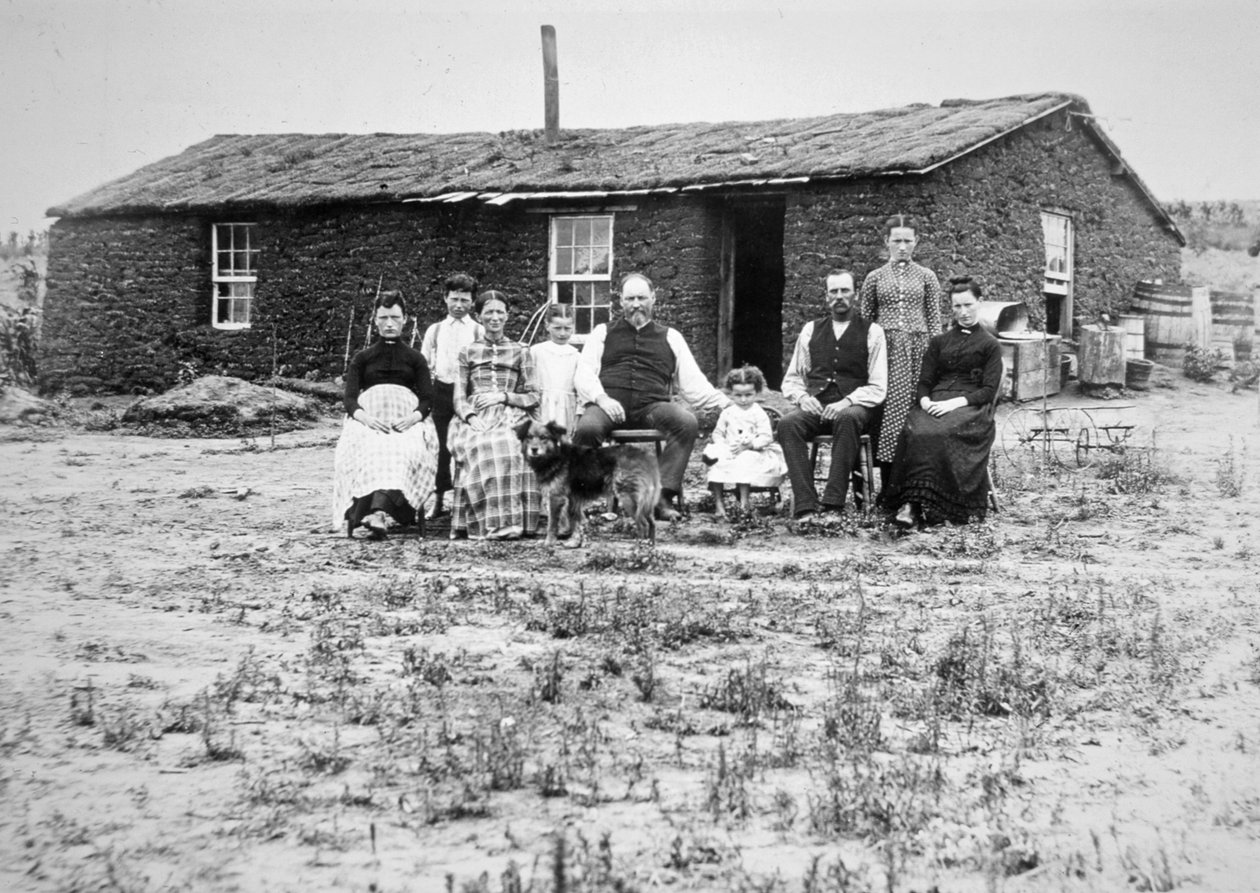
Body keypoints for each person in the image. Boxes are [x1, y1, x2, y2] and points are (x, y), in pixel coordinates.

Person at [572, 272, 730, 520]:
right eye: (630, 298)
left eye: (642, 297)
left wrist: (725, 403)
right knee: (587, 429)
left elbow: (693, 384)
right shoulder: (602, 332)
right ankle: (579, 502)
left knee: (686, 423)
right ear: (621, 301)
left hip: (651, 407)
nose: (636, 304)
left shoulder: (671, 337)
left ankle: (662, 498)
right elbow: (584, 374)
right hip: (608, 404)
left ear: (653, 298)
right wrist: (602, 399)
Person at [881, 276, 1003, 528]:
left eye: (968, 305)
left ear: (980, 302)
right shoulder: (939, 342)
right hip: (935, 402)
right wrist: (924, 400)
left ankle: (936, 505)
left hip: (971, 408)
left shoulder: (990, 345)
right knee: (914, 428)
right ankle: (910, 502)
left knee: (941, 431)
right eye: (957, 306)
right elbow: (925, 380)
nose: (964, 312)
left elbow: (989, 390)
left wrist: (955, 403)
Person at [778, 269, 888, 519]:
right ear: (826, 296)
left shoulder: (872, 332)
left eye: (845, 290)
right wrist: (804, 398)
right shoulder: (811, 330)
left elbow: (878, 386)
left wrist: (848, 401)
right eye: (834, 291)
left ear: (855, 294)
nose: (840, 296)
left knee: (847, 418)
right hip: (817, 405)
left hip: (856, 405)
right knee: (787, 424)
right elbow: (792, 379)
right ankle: (806, 505)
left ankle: (833, 506)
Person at [332, 291, 439, 539]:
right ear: (375, 320)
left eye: (395, 317)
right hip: (369, 420)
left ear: (405, 320)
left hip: (406, 421)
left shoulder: (415, 358)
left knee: (405, 450)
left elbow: (427, 398)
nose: (389, 323)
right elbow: (349, 398)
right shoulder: (362, 358)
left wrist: (413, 418)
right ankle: (375, 512)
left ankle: (377, 512)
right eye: (383, 317)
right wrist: (365, 417)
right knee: (367, 448)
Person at [447, 290, 541, 540]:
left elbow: (534, 396)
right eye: (489, 312)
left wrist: (504, 397)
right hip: (477, 414)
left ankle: (511, 523)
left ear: (507, 315)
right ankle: (488, 524)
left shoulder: (521, 350)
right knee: (482, 444)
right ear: (478, 316)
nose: (495, 317)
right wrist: (469, 417)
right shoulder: (467, 352)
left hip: (511, 414)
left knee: (510, 445)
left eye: (500, 312)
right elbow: (458, 395)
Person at [858, 215, 943, 480]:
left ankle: (917, 475)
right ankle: (889, 479)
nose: (903, 247)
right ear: (887, 242)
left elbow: (934, 321)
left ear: (916, 242)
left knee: (916, 409)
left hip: (919, 351)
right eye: (897, 241)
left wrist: (937, 358)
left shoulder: (927, 277)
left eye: (908, 241)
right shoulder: (875, 277)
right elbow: (865, 323)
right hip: (886, 352)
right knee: (889, 411)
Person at [420, 272, 484, 518]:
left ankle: (467, 502)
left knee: (467, 446)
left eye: (465, 300)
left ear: (473, 301)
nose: (459, 306)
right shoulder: (435, 331)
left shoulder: (478, 331)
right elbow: (425, 364)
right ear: (445, 298)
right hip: (442, 392)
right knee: (440, 448)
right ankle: (438, 501)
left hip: (469, 395)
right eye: (454, 299)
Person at [704, 365, 786, 519]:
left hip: (754, 451)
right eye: (738, 395)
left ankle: (744, 503)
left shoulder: (757, 413)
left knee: (745, 459)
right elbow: (718, 433)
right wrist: (722, 446)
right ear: (731, 393)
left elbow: (766, 436)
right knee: (713, 457)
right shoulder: (727, 413)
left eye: (748, 395)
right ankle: (719, 505)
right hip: (730, 449)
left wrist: (750, 445)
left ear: (756, 393)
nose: (743, 400)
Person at [530, 303, 581, 431]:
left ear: (573, 327)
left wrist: (578, 416)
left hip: (567, 407)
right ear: (547, 325)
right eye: (557, 328)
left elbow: (581, 390)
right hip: (542, 407)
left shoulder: (577, 356)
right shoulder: (536, 351)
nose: (562, 333)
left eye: (567, 328)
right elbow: (529, 383)